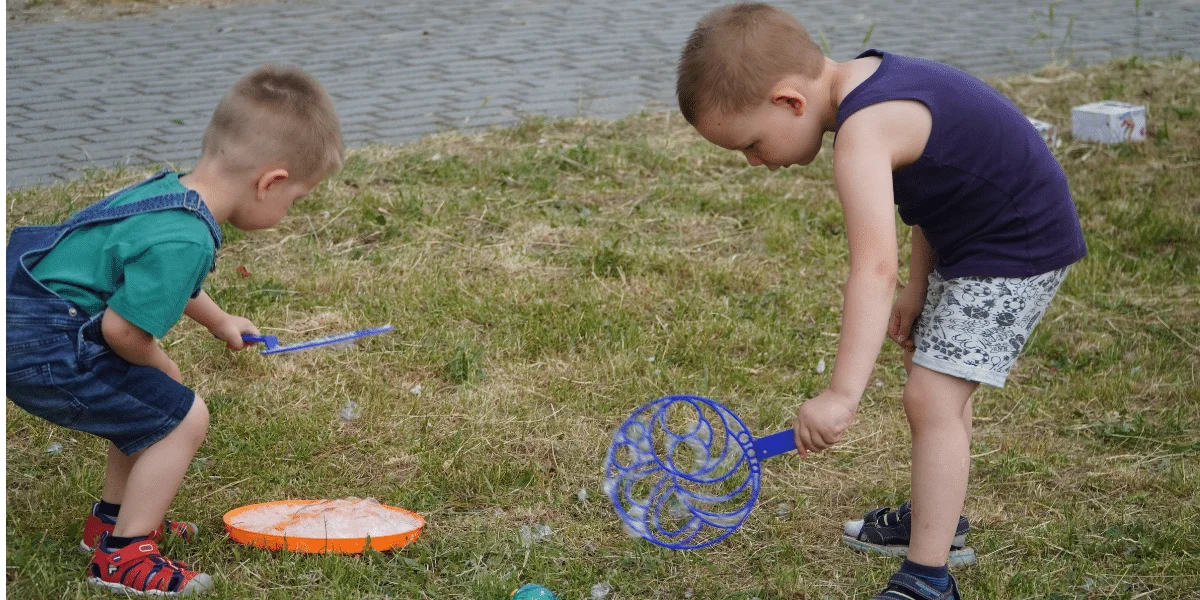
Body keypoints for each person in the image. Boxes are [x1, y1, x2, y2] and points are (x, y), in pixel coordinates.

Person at [675, 4, 1086, 599]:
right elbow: (939, 190)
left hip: (1017, 244)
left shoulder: (864, 132)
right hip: (974, 236)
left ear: (790, 101)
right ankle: (936, 525)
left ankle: (927, 579)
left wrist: (842, 395)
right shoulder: (871, 83)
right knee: (933, 380)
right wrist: (920, 288)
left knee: (930, 397)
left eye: (752, 145)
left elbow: (872, 268)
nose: (754, 163)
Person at [6, 64, 344, 596]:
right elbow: (122, 328)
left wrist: (219, 320)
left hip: (26, 319)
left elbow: (154, 277)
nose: (289, 208)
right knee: (180, 417)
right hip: (44, 343)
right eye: (295, 199)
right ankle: (124, 558)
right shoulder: (189, 239)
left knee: (144, 408)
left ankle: (110, 526)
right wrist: (160, 363)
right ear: (270, 182)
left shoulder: (171, 196)